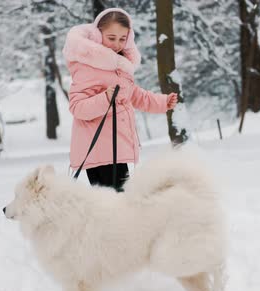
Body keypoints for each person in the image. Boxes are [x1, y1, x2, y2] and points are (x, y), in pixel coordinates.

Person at [62, 8, 178, 191]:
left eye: (122, 39)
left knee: (118, 206)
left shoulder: (118, 66)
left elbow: (134, 94)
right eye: (111, 38)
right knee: (115, 206)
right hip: (100, 150)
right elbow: (77, 107)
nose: (117, 44)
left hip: (116, 148)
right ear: (98, 35)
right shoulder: (88, 67)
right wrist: (104, 98)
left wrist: (163, 102)